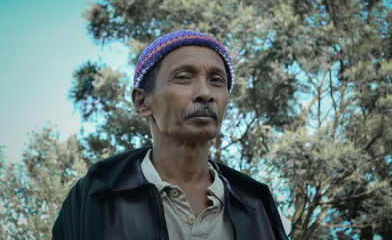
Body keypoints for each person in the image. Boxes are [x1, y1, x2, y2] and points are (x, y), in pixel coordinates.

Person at [52, 30, 288, 240]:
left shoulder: (257, 206)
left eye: (217, 81)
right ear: (143, 102)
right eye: (183, 77)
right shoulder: (94, 197)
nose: (206, 93)